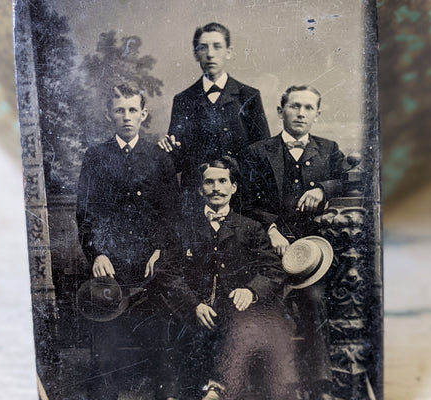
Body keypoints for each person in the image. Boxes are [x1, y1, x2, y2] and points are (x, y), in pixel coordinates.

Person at [159, 157, 299, 400]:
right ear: (200, 189)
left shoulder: (251, 228)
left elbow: (272, 268)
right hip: (193, 308)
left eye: (223, 181)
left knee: (239, 329)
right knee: (179, 334)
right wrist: (194, 304)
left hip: (236, 309)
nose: (216, 188)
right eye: (209, 182)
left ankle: (217, 388)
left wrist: (251, 291)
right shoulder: (183, 228)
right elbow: (168, 273)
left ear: (233, 187)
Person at [241, 85, 346, 399]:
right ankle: (270, 386)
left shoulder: (328, 149)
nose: (301, 114)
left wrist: (324, 189)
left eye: (308, 108)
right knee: (265, 306)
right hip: (270, 251)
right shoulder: (258, 153)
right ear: (280, 111)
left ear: (317, 113)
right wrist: (270, 228)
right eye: (294, 106)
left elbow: (345, 177)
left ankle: (319, 384)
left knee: (314, 302)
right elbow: (244, 202)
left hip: (312, 255)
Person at [76, 83, 179, 400]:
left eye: (133, 109)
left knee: (163, 352)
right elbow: (86, 213)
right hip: (111, 264)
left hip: (150, 263)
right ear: (110, 114)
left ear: (144, 114)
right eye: (119, 110)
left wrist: (161, 249)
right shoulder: (95, 157)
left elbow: (170, 212)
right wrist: (96, 254)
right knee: (105, 349)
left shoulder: (159, 158)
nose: (126, 116)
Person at [158, 22, 270, 210]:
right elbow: (176, 162)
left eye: (217, 46)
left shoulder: (248, 96)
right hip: (196, 201)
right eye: (203, 47)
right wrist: (168, 150)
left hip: (241, 200)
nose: (210, 54)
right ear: (195, 53)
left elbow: (263, 154)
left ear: (229, 51)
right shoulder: (183, 100)